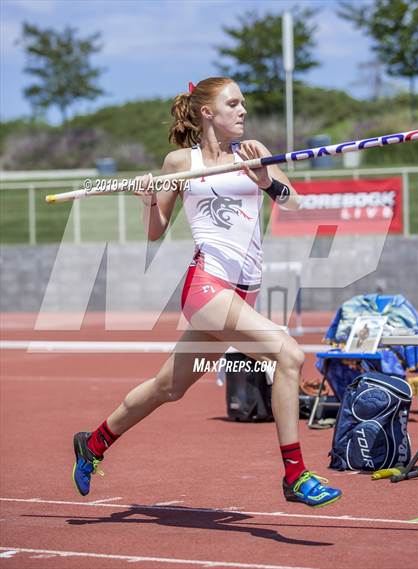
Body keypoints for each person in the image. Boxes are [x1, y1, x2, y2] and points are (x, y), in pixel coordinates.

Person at [72, 77, 342, 508]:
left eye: (244, 105)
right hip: (207, 289)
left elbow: (294, 203)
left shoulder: (253, 154)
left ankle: (94, 442)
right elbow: (155, 232)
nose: (243, 111)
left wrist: (266, 178)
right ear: (207, 113)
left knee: (168, 387)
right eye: (233, 104)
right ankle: (295, 474)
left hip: (242, 294)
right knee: (288, 355)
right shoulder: (180, 162)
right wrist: (147, 200)